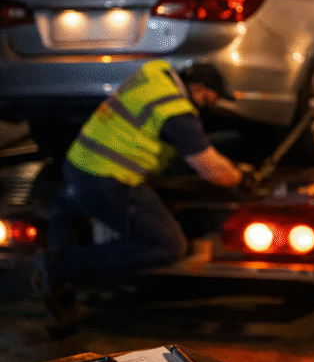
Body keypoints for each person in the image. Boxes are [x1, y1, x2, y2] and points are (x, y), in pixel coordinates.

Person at [33, 60, 254, 331]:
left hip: (79, 163)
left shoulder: (154, 75)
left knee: (66, 217)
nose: (212, 105)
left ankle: (59, 295)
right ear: (197, 88)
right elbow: (212, 169)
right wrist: (241, 177)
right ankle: (58, 268)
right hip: (109, 180)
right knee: (168, 245)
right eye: (211, 98)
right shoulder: (175, 111)